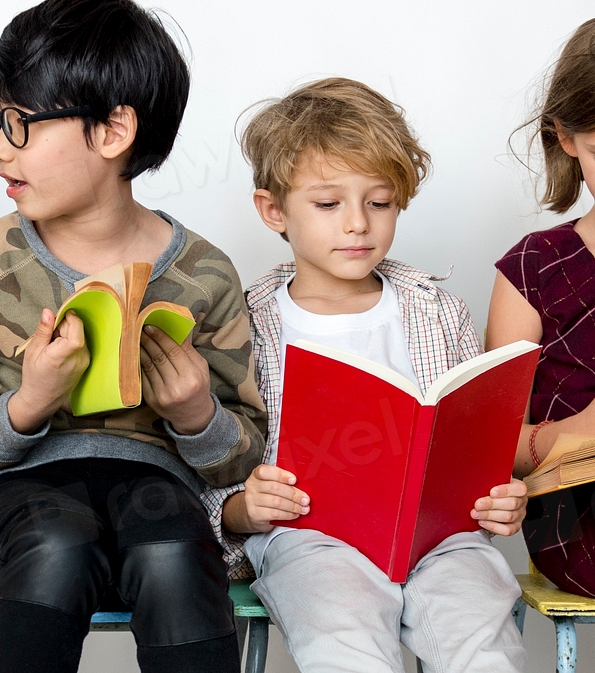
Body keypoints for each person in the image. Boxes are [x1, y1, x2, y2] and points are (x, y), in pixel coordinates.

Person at [0, 1, 267, 671]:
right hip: (21, 507)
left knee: (172, 546)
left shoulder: (204, 273)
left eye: (20, 125)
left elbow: (243, 456)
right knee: (58, 542)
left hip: (154, 492)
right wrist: (30, 402)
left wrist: (198, 416)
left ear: (113, 131)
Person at [201, 78, 528, 673]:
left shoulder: (438, 311)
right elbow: (202, 461)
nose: (358, 225)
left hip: (441, 539)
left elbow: (476, 452)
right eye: (328, 205)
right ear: (273, 209)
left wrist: (499, 500)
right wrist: (241, 509)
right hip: (311, 537)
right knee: (343, 642)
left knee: (482, 639)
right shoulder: (242, 328)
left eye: (378, 203)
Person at [487, 18, 595, 598]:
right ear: (566, 137)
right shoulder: (534, 267)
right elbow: (494, 442)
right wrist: (581, 432)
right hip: (577, 515)